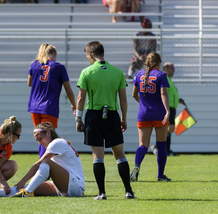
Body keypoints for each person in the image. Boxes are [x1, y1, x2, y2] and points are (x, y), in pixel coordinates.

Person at [75, 41, 136, 200]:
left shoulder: (86, 72)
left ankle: (102, 193)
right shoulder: (117, 72)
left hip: (94, 117)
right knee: (120, 155)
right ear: (102, 53)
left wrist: (78, 118)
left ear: (90, 54)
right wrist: (123, 118)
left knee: (98, 156)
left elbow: (81, 98)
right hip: (112, 116)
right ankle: (129, 191)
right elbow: (123, 99)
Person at [0, 122, 85, 198]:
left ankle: (27, 192)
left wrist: (23, 180)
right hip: (69, 186)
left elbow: (39, 164)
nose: (39, 143)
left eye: (40, 139)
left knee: (45, 162)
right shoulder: (56, 143)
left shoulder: (56, 142)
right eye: (37, 140)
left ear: (48, 133)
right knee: (29, 186)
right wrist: (24, 183)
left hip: (74, 185)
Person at [27, 43, 76, 159]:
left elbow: (29, 83)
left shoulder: (35, 64)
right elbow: (69, 91)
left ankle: (44, 164)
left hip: (34, 107)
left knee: (40, 137)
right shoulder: (58, 67)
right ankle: (44, 165)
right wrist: (74, 105)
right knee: (48, 138)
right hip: (49, 107)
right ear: (54, 54)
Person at [130, 52, 171, 182]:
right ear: (158, 63)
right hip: (159, 114)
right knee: (161, 145)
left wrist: (143, 104)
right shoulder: (161, 75)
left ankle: (136, 167)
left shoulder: (139, 74)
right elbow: (163, 94)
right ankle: (160, 175)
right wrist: (167, 111)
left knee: (143, 145)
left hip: (143, 114)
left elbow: (133, 94)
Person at [151, 62, 185, 156]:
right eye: (172, 68)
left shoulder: (169, 80)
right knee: (169, 128)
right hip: (167, 108)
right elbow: (161, 93)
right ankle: (159, 147)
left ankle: (166, 150)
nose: (174, 70)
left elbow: (170, 94)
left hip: (172, 108)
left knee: (169, 129)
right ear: (166, 69)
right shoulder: (163, 78)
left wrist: (178, 100)